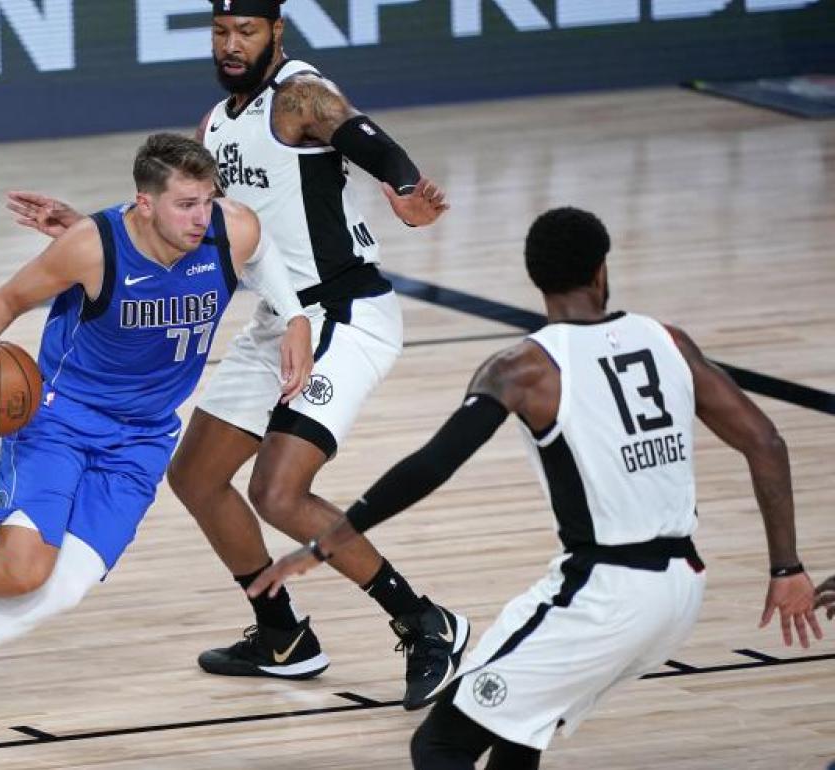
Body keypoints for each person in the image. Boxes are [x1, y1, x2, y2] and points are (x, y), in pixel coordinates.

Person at [3, 0, 464, 710]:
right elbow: (194, 218)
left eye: (245, 30)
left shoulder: (300, 96)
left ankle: (426, 623)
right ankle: (283, 637)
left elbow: (368, 140)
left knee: (279, 491)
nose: (230, 43)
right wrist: (90, 232)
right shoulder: (217, 124)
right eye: (220, 31)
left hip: (343, 314)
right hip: (278, 319)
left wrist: (403, 190)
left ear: (276, 32)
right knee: (196, 476)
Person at [248, 207, 823, 768]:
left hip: (603, 593)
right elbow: (766, 443)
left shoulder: (523, 368)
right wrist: (784, 568)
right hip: (682, 589)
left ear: (535, 280)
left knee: (440, 746)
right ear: (602, 270)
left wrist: (324, 546)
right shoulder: (667, 340)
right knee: (519, 734)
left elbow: (433, 465)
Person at [0, 133, 313, 749]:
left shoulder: (232, 229)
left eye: (206, 201)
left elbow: (261, 255)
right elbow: (7, 299)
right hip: (60, 422)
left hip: (144, 438)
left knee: (60, 588)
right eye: (184, 204)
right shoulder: (92, 247)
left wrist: (297, 317)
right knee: (20, 571)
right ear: (144, 203)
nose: (200, 217)